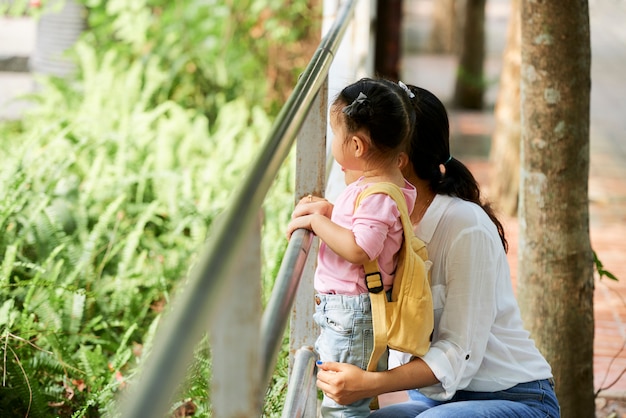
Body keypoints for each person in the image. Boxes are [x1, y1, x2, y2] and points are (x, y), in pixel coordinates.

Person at [308, 85, 561, 417]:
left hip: (517, 400)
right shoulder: (384, 224)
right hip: (437, 403)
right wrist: (328, 219)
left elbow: (459, 353)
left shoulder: (465, 226)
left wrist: (370, 383)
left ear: (398, 160)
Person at [286, 77, 418, 417]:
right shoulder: (378, 187)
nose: (332, 142)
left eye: (334, 133)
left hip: (352, 314)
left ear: (357, 147)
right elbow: (365, 228)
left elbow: (361, 248)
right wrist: (330, 212)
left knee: (342, 407)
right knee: (342, 401)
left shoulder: (376, 195)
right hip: (349, 312)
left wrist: (317, 224)